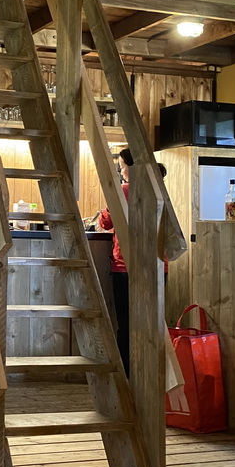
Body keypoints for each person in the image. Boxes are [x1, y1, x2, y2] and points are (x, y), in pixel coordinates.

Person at [98, 149, 167, 376]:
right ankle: (151, 374)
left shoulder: (125, 191)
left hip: (126, 267)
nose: (120, 170)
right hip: (157, 267)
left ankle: (126, 375)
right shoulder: (158, 189)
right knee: (151, 324)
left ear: (131, 167)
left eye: (121, 166)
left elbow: (105, 222)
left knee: (126, 324)